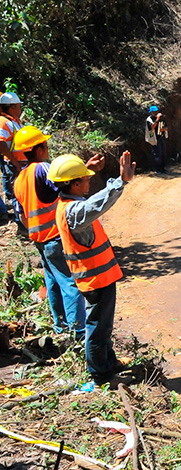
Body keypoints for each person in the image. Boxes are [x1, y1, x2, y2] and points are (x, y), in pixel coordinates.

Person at [50, 151, 135, 384]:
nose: (89, 180)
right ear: (75, 184)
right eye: (85, 178)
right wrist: (121, 182)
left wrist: (88, 168)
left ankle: (109, 361)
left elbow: (89, 202)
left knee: (103, 325)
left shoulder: (66, 204)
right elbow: (97, 204)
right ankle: (102, 376)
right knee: (97, 328)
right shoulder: (75, 212)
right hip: (96, 280)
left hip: (96, 278)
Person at [12, 126, 90, 340]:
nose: (47, 148)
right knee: (70, 283)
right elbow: (64, 186)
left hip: (38, 239)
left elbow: (21, 214)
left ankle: (61, 328)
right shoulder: (44, 169)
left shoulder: (19, 180)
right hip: (55, 237)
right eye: (45, 145)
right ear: (39, 150)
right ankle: (78, 334)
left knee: (53, 282)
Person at [0, 92, 26, 222]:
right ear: (12, 107)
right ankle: (20, 224)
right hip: (14, 164)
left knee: (22, 193)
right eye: (19, 106)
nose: (21, 109)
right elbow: (1, 143)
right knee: (18, 194)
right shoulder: (3, 122)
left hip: (20, 162)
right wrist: (15, 162)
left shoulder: (13, 121)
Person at [145, 105, 168, 173]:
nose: (156, 113)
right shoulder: (149, 119)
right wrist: (157, 119)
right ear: (151, 112)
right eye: (154, 112)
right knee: (157, 154)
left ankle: (162, 168)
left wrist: (163, 129)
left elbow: (166, 126)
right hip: (154, 139)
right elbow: (151, 127)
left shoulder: (161, 119)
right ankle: (158, 169)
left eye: (157, 111)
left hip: (161, 137)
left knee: (163, 153)